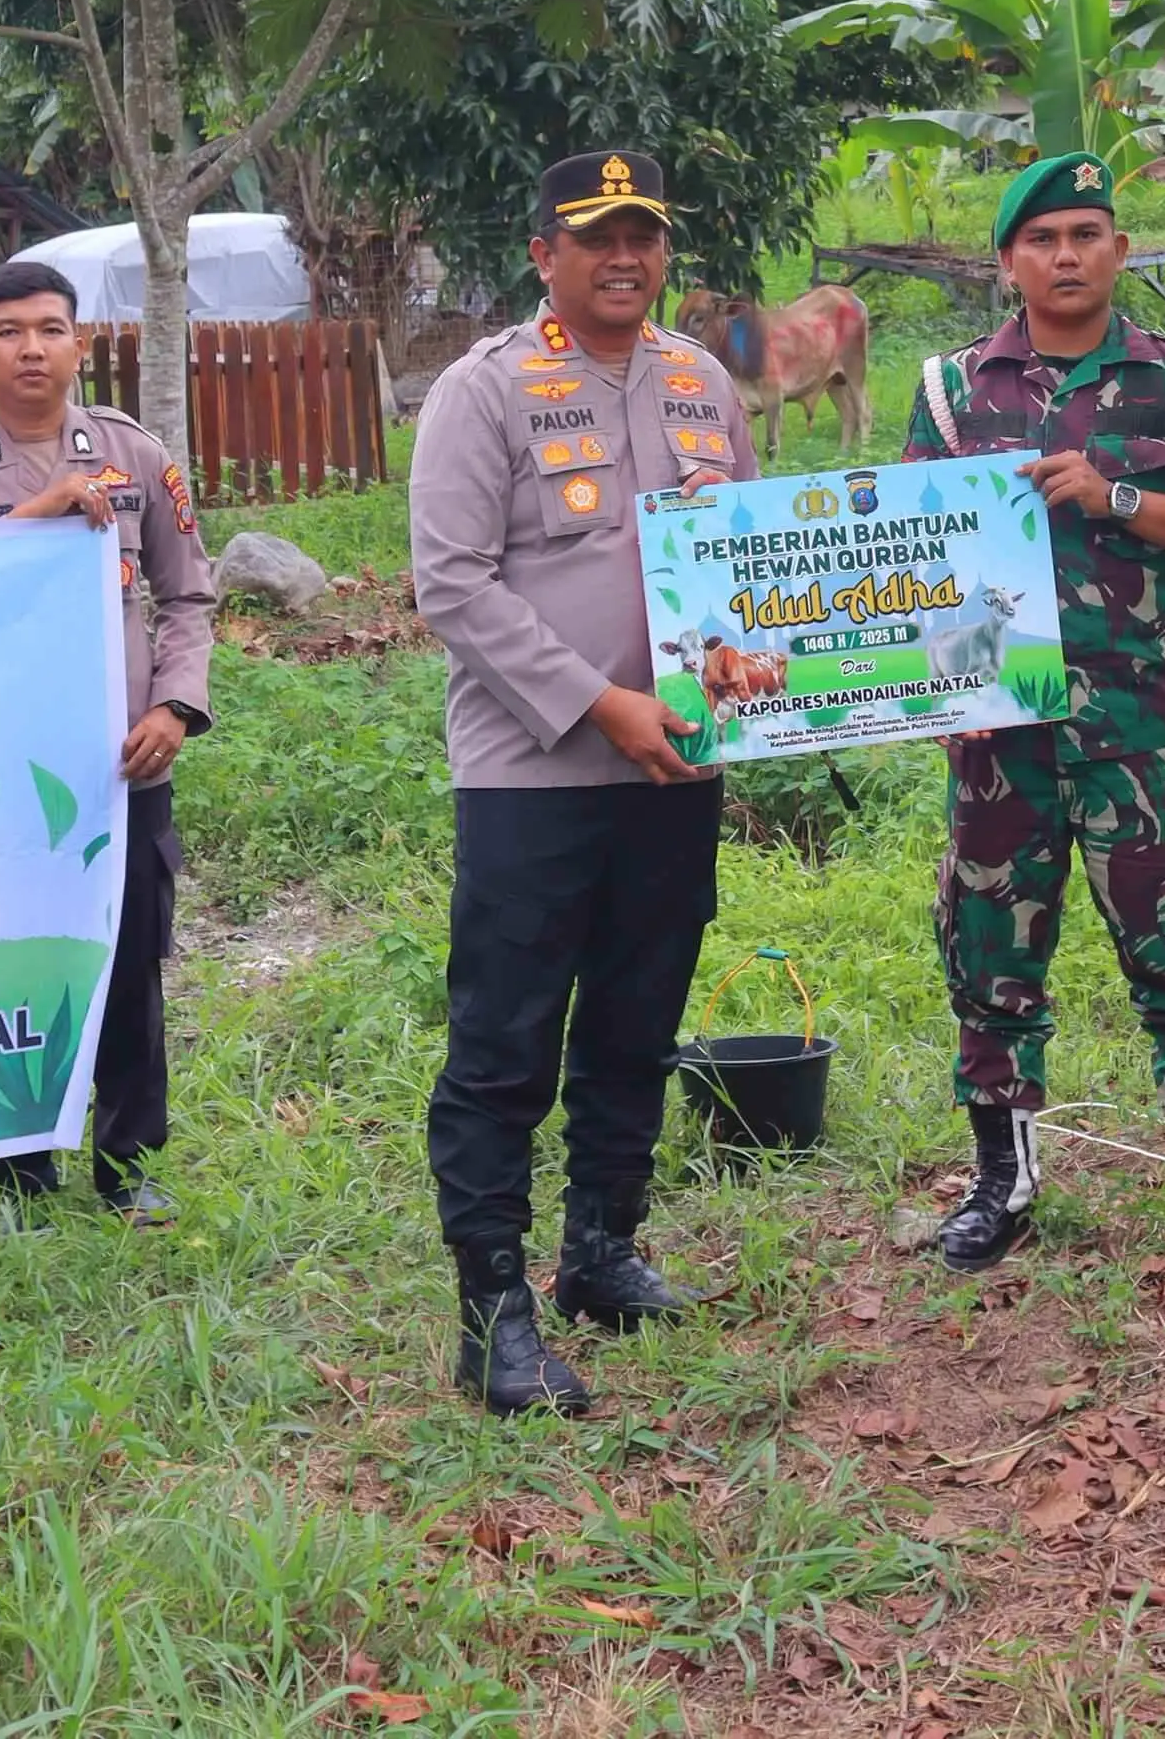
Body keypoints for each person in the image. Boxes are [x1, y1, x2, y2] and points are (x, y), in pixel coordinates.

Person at [407, 149, 754, 1415]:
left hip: (673, 767)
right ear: (543, 251)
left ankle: (600, 1248)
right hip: (531, 775)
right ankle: (490, 1307)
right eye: (595, 235)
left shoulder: (702, 378)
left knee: (634, 1018)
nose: (624, 257)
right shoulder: (481, 389)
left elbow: (746, 565)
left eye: (643, 235)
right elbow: (452, 583)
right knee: (504, 1040)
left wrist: (764, 672)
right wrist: (596, 702)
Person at [904, 151, 1165, 1278]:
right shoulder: (948, 389)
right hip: (994, 728)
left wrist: (1117, 495)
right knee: (989, 944)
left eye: (1084, 232)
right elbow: (911, 554)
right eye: (1041, 238)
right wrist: (924, 689)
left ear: (1118, 248)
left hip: (1130, 722)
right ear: (1008, 259)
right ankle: (999, 1180)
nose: (1064, 254)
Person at [0, 259, 216, 1223]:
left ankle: (128, 1166)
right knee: (4, 960)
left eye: (50, 329)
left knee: (126, 960)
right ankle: (20, 1172)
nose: (31, 348)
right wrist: (33, 516)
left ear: (81, 344)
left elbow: (189, 594)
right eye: (9, 332)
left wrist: (174, 708)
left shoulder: (137, 455)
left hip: (115, 765)